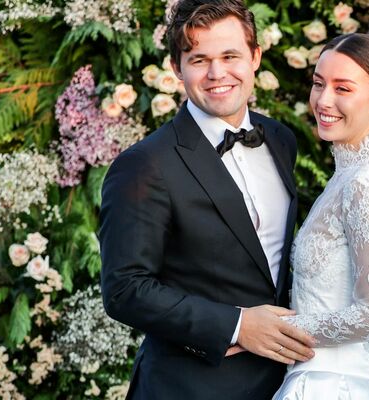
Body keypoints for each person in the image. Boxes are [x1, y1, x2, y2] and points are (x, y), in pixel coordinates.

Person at [98, 1, 316, 399]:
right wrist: (236, 325)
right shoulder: (144, 165)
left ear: (255, 58)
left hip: (287, 380)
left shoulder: (281, 139)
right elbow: (124, 289)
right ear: (176, 69)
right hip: (192, 384)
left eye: (230, 56)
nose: (217, 74)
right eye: (199, 59)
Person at [272, 33, 369, 400]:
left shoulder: (368, 179)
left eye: (343, 88)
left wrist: (274, 331)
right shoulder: (351, 171)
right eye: (319, 84)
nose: (323, 100)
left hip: (331, 381)